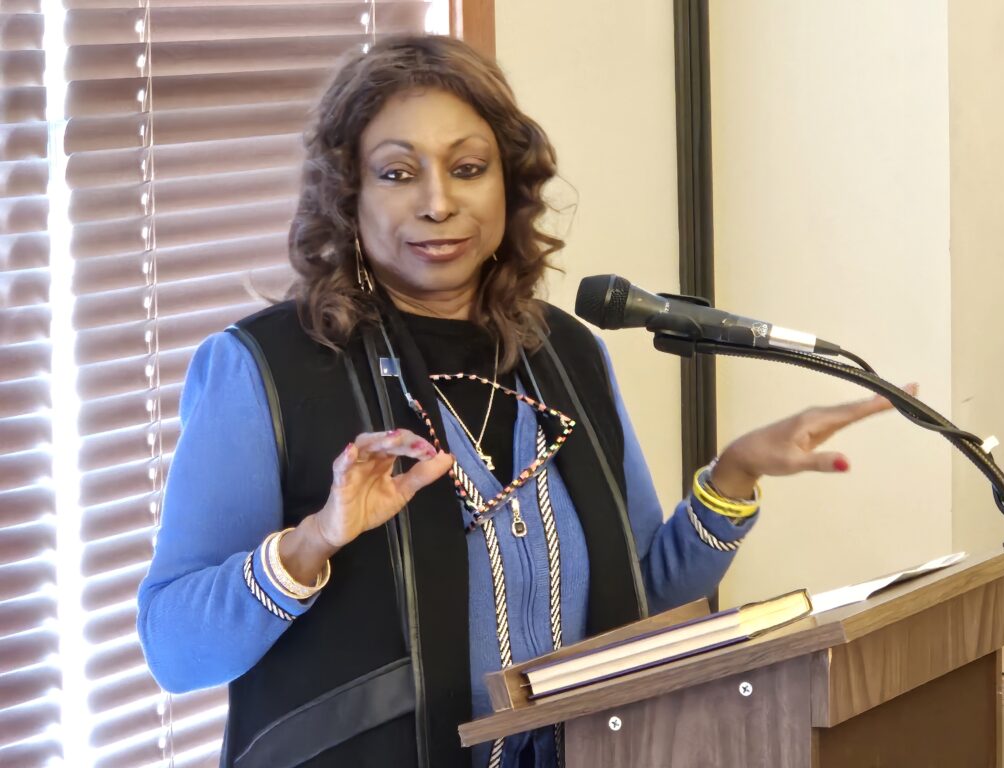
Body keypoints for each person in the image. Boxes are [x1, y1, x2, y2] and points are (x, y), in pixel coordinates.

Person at [137, 34, 904, 768]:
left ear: (509, 181)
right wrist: (315, 541)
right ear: (348, 195)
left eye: (467, 168)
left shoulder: (567, 356)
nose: (438, 204)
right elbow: (174, 650)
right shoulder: (261, 370)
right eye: (398, 174)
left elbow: (637, 599)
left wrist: (732, 477)